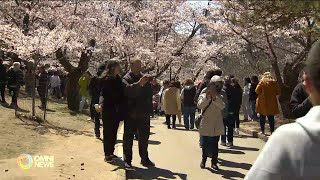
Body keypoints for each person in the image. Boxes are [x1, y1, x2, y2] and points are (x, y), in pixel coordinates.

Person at [245, 40, 320, 180]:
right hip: (272, 103)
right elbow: (278, 92)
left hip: (263, 104)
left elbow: (256, 91)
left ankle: (263, 130)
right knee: (271, 118)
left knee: (263, 118)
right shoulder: (273, 83)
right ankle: (271, 129)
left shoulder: (289, 139)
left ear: (308, 83)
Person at [122, 60, 155, 168]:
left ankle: (144, 158)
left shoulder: (144, 77)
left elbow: (151, 93)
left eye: (140, 65)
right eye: (137, 65)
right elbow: (127, 91)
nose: (140, 67)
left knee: (144, 137)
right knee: (128, 137)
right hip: (131, 112)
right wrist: (139, 84)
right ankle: (127, 159)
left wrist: (154, 85)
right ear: (131, 66)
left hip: (144, 112)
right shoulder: (126, 78)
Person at [98, 60, 126, 162]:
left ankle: (111, 152)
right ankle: (107, 154)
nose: (120, 68)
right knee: (108, 132)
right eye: (118, 66)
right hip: (108, 108)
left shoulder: (119, 79)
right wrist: (101, 103)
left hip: (117, 109)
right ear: (113, 67)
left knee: (114, 131)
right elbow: (103, 93)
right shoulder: (107, 79)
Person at [198, 79, 225, 170]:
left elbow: (222, 106)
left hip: (216, 123)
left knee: (214, 144)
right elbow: (200, 105)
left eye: (214, 88)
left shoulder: (219, 96)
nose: (212, 90)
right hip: (206, 122)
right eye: (211, 88)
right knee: (205, 144)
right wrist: (207, 97)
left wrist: (214, 98)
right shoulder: (203, 96)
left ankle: (214, 162)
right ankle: (203, 160)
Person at [89, 63, 105, 138]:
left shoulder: (94, 77)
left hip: (96, 99)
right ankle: (103, 132)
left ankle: (97, 131)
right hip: (103, 99)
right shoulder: (105, 78)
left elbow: (90, 88)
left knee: (97, 116)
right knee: (104, 116)